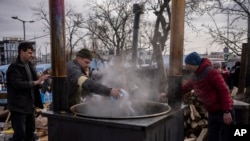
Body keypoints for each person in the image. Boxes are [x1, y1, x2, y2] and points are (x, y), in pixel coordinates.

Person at [182, 52, 234, 141]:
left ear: (194, 63)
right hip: (212, 112)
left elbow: (224, 91)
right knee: (213, 137)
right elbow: (185, 88)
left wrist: (227, 111)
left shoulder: (211, 72)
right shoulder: (195, 77)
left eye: (188, 64)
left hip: (223, 111)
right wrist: (167, 94)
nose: (186, 67)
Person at [6, 42, 50, 141]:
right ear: (21, 52)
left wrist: (41, 81)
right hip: (18, 107)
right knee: (20, 134)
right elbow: (18, 84)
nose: (32, 55)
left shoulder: (29, 65)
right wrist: (36, 82)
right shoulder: (14, 67)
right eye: (29, 53)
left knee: (30, 132)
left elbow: (35, 82)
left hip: (29, 106)